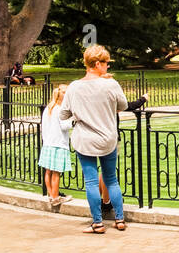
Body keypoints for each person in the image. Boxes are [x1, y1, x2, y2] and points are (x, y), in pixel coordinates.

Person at [61, 45, 147, 234]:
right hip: (108, 139)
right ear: (97, 64)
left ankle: (98, 223)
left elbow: (63, 114)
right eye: (107, 63)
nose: (108, 66)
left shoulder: (74, 87)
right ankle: (119, 219)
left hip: (85, 140)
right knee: (111, 180)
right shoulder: (111, 84)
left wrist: (79, 114)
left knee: (91, 182)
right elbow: (123, 105)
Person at [39, 83, 74, 207]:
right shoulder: (60, 110)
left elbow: (43, 127)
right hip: (59, 143)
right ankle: (56, 198)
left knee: (48, 171)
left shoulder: (49, 108)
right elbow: (65, 126)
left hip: (48, 143)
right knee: (57, 172)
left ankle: (51, 195)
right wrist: (74, 120)